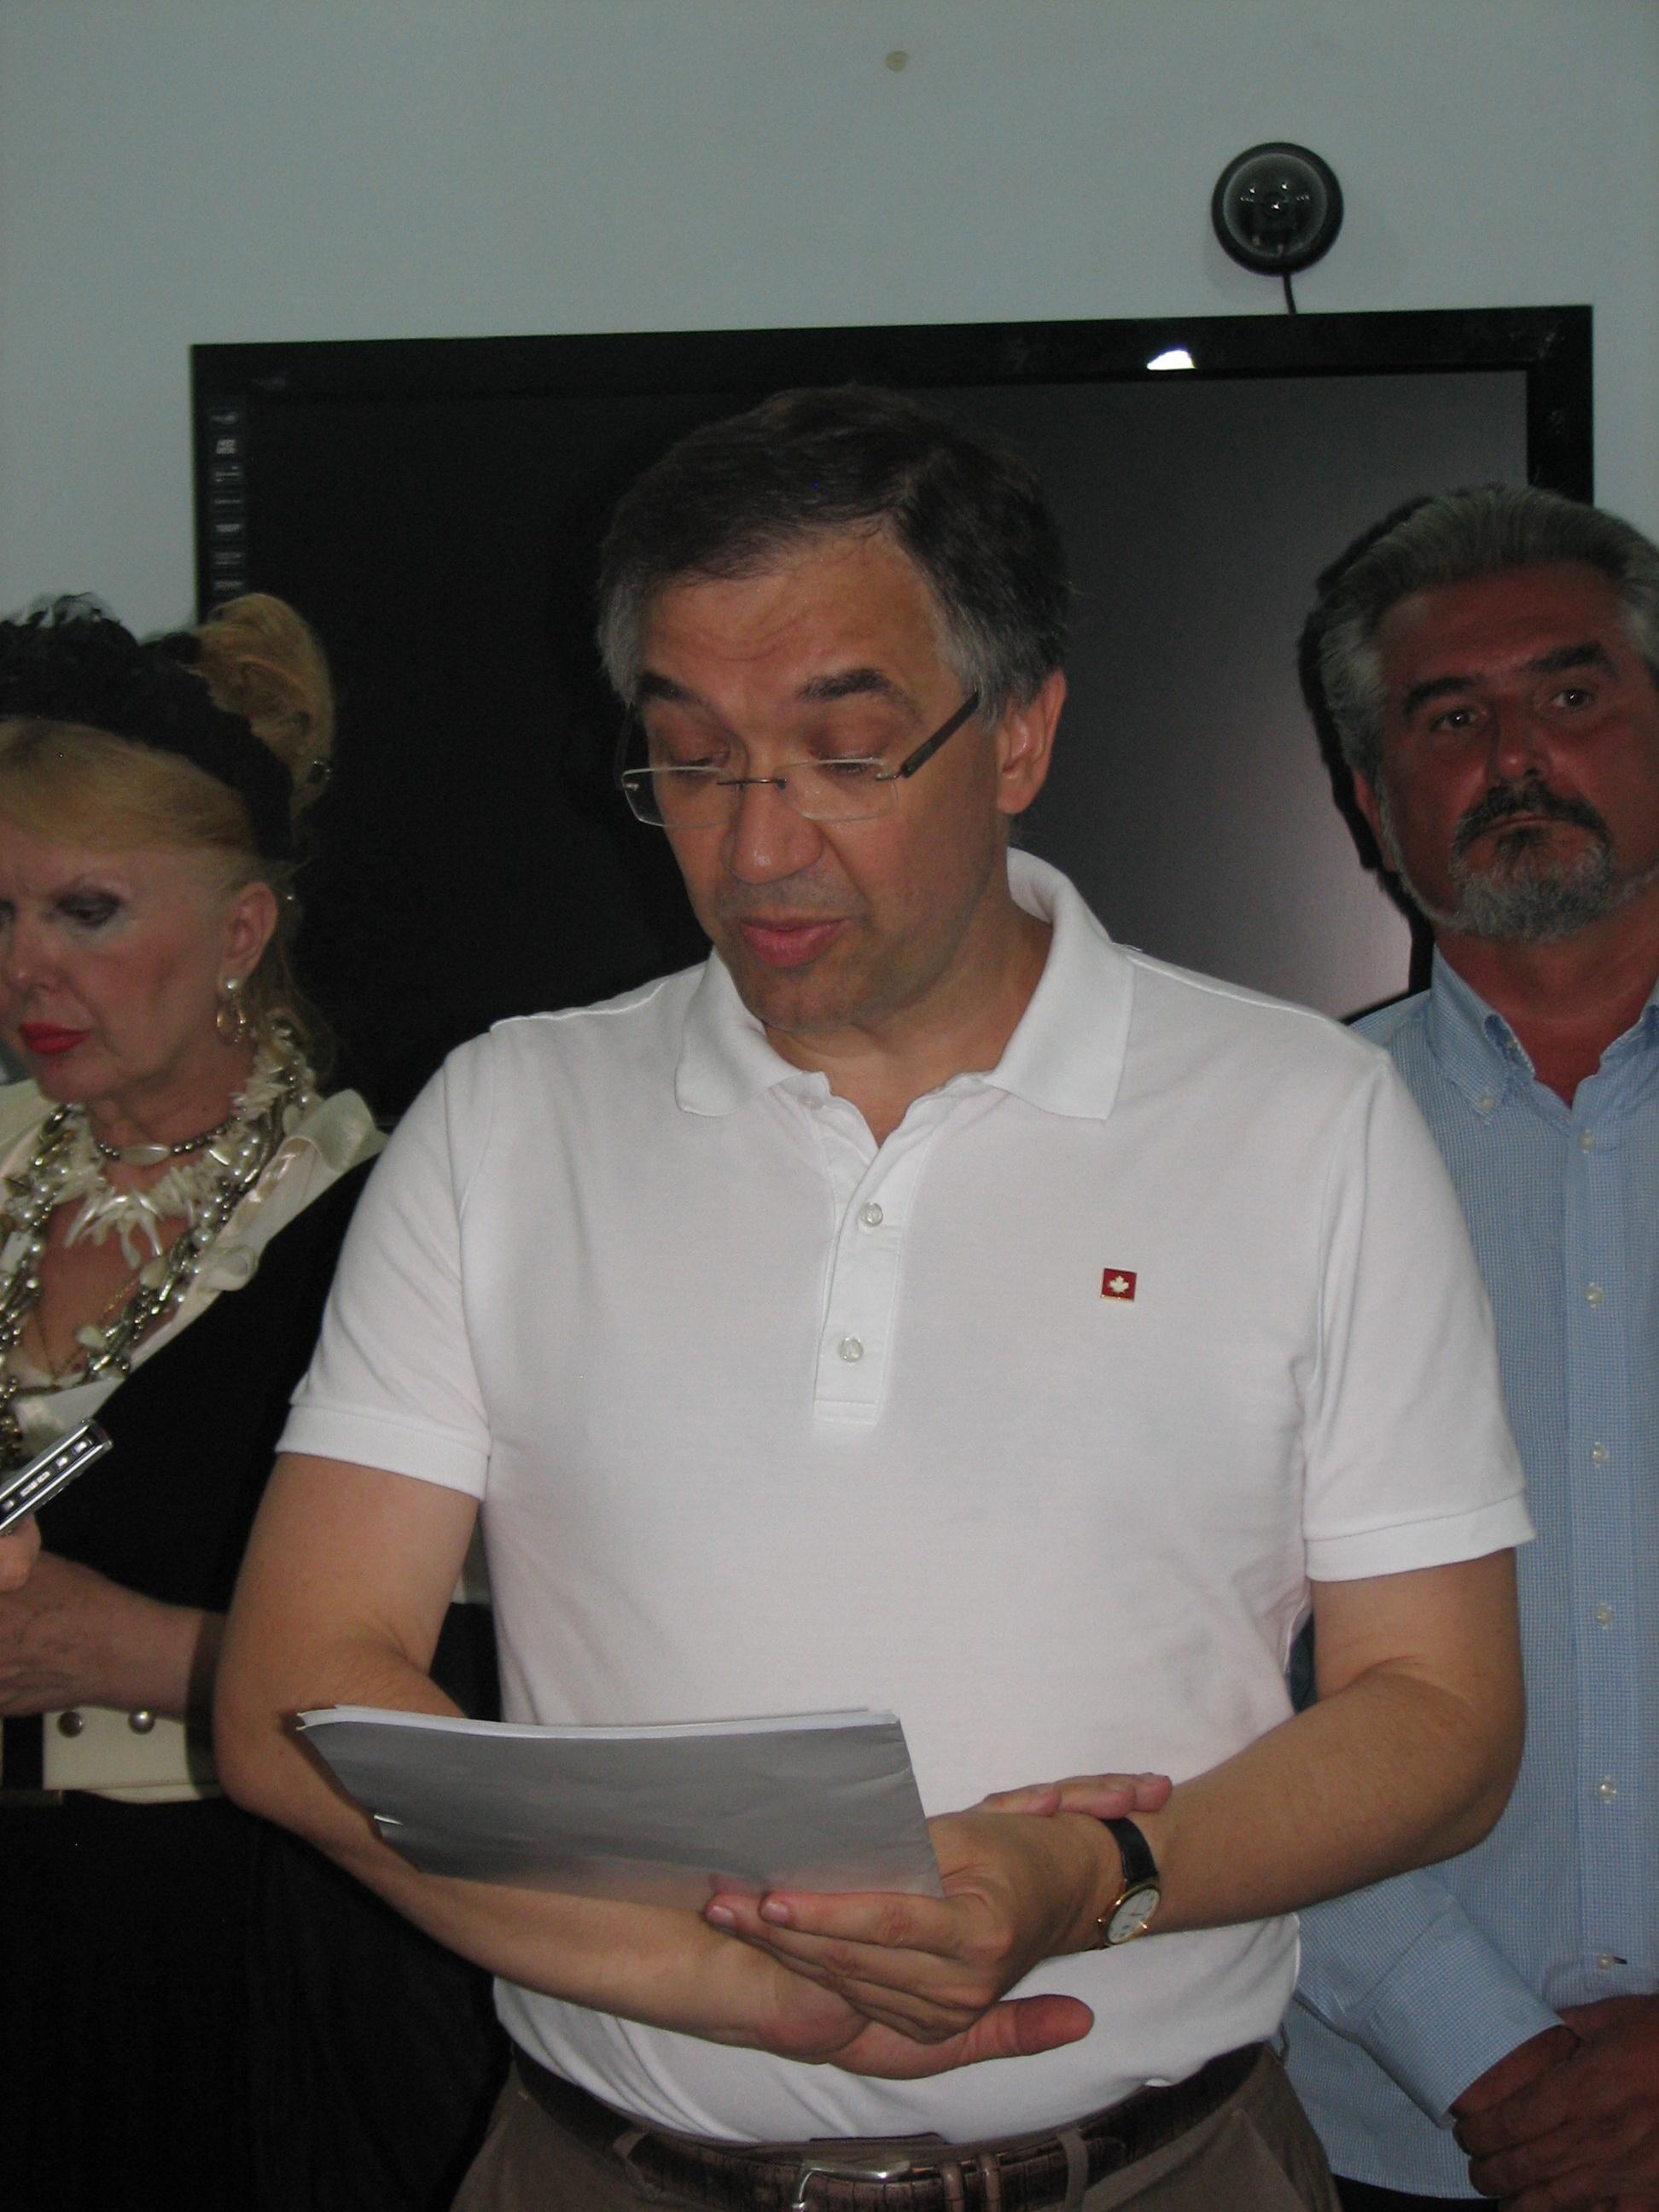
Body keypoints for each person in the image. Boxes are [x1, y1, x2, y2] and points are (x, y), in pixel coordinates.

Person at [218, 387, 1534, 2212]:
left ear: (1020, 733)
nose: (757, 849)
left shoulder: (1307, 1119)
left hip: (1163, 2169)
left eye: (845, 756)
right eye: (691, 759)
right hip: (604, 2165)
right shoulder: (511, 1117)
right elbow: (294, 1696)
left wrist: (1096, 1879)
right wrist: (731, 1986)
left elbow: (1443, 1718)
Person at [0, 597, 501, 2211]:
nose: (24, 968)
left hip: (242, 1953)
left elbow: (517, 1684)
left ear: (239, 934)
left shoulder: (388, 1217)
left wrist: (149, 1654)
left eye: (85, 911)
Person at [1284, 485, 1659, 2211]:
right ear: (1372, 806)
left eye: (1572, 695)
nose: (1517, 757)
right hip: (1399, 2132)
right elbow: (1195, 1678)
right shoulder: (1255, 1166)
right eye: (1450, 721)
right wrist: (1486, 2051)